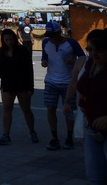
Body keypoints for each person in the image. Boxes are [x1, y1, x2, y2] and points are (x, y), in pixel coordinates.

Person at [68, 29, 107, 183]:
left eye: (99, 50)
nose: (94, 54)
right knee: (95, 178)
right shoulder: (91, 63)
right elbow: (81, 86)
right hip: (92, 130)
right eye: (90, 50)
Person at [42, 20, 85, 151]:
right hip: (50, 81)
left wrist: (73, 62)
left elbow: (83, 60)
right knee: (50, 109)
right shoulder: (45, 42)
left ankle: (69, 137)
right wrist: (44, 61)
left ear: (60, 32)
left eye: (54, 35)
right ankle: (54, 137)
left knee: (68, 111)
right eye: (50, 36)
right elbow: (45, 56)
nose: (52, 39)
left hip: (68, 82)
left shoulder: (71, 43)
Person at [0, 28, 38, 145]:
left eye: (11, 39)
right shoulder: (1, 52)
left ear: (15, 39)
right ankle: (6, 134)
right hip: (7, 85)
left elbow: (29, 70)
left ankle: (32, 132)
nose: (9, 42)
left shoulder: (22, 51)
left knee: (26, 109)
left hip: (22, 84)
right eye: (6, 40)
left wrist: (30, 88)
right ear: (3, 40)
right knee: (7, 109)